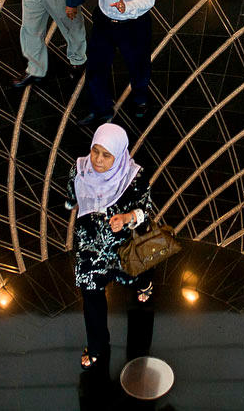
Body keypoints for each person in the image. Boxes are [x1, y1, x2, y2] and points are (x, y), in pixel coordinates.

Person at [65, 122, 155, 370]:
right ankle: (96, 345)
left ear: (119, 155)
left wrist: (127, 218)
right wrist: (74, 202)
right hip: (91, 246)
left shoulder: (134, 177)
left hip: (122, 245)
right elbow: (71, 194)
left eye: (107, 155)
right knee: (91, 294)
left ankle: (144, 283)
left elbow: (146, 211)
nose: (98, 160)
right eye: (95, 151)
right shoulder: (79, 169)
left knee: (134, 273)